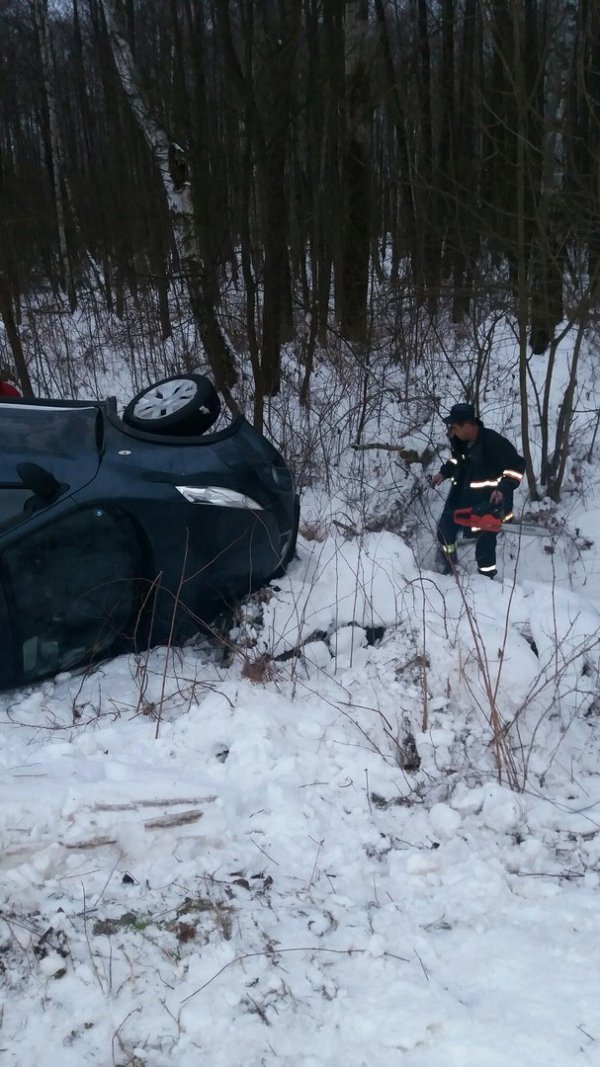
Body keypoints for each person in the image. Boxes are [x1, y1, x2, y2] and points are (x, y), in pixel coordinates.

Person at [430, 402, 525, 578]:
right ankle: (450, 567)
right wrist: (443, 474)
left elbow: (517, 466)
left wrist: (502, 489)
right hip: (462, 497)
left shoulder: (494, 442)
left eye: (454, 426)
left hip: (489, 501)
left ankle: (487, 578)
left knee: (485, 543)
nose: (451, 431)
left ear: (467, 426)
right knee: (445, 529)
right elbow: (457, 461)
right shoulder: (460, 441)